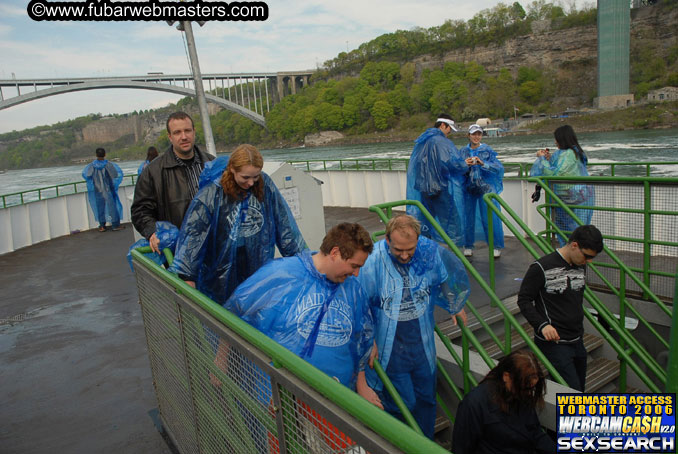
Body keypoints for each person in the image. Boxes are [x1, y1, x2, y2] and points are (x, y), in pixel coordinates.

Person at [358, 214, 469, 439]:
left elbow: (443, 277)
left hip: (421, 342)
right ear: (387, 239)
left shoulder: (427, 252)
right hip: (391, 346)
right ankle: (400, 443)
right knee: (403, 401)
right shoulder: (374, 261)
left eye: (411, 249)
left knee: (427, 397)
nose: (406, 255)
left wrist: (454, 304)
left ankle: (425, 443)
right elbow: (359, 303)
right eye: (399, 250)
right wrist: (369, 340)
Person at [168, 144, 307, 305]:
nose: (251, 183)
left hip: (257, 262)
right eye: (245, 177)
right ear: (232, 169)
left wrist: (303, 262)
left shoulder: (265, 185)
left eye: (255, 177)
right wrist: (187, 275)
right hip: (221, 270)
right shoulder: (212, 194)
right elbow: (194, 235)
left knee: (255, 307)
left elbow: (284, 226)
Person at [517, 224, 604, 391]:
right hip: (554, 343)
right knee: (572, 394)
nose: (588, 261)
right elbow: (524, 300)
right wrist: (542, 325)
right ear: (574, 245)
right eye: (586, 256)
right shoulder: (541, 267)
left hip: (577, 339)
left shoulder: (580, 264)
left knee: (578, 390)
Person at [131, 111, 214, 254]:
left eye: (187, 130)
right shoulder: (153, 172)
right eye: (177, 132)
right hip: (180, 252)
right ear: (170, 137)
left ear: (194, 132)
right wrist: (152, 232)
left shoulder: (212, 164)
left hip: (214, 246)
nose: (184, 137)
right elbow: (140, 210)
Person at [452, 350, 555, 454]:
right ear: (506, 376)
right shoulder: (474, 403)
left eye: (531, 389)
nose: (529, 393)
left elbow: (535, 433)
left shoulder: (520, 393)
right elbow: (461, 448)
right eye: (525, 388)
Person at [405, 113, 468, 246]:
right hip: (439, 189)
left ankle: (423, 249)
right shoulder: (441, 141)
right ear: (443, 125)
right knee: (452, 222)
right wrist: (466, 164)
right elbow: (451, 163)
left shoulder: (423, 140)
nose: (450, 132)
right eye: (449, 128)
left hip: (423, 188)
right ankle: (454, 254)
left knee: (425, 221)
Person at [530, 124, 594, 246]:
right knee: (571, 225)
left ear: (562, 139)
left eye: (556, 139)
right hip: (576, 195)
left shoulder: (568, 154)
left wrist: (542, 159)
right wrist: (548, 158)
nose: (555, 142)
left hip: (568, 196)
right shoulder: (574, 152)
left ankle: (571, 251)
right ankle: (573, 250)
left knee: (567, 227)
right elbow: (561, 168)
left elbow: (555, 173)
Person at [459, 124, 505, 258]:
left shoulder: (487, 150)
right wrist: (464, 164)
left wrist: (483, 164)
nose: (476, 137)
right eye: (474, 134)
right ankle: (468, 245)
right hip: (468, 189)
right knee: (468, 217)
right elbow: (456, 169)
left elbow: (498, 168)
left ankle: (495, 246)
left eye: (479, 134)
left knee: (489, 218)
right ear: (468, 135)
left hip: (485, 188)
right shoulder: (462, 152)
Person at [82, 147, 124, 232]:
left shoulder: (92, 166)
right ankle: (115, 225)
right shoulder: (108, 164)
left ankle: (102, 226)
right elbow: (115, 175)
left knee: (100, 207)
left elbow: (87, 176)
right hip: (108, 189)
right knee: (112, 206)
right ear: (104, 154)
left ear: (96, 155)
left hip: (98, 190)